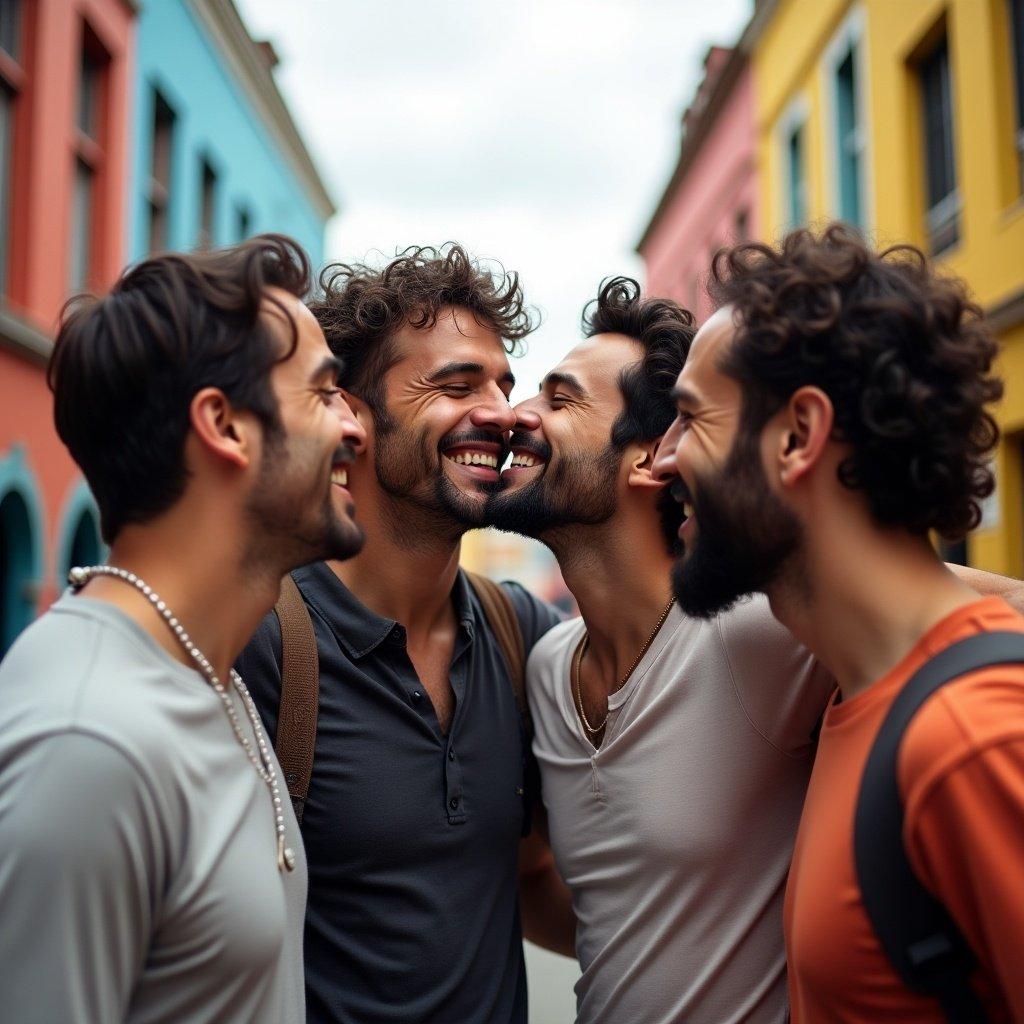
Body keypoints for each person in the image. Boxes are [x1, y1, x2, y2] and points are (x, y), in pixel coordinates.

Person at [488, 275, 1024, 1024]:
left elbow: (967, 603)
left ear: (800, 436)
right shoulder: (548, 667)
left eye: (692, 421)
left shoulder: (802, 647)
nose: (513, 416)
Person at [653, 224, 1024, 1021]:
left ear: (798, 435)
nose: (663, 459)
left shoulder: (977, 734)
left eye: (690, 419)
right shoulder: (857, 699)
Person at [0, 235, 366, 1024]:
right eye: (324, 392)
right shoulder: (87, 742)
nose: (354, 428)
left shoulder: (211, 670)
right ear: (224, 425)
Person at [236, 244, 566, 1024]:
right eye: (457, 385)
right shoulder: (263, 642)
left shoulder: (521, 633)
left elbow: (532, 874)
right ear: (350, 414)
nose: (505, 412)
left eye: (503, 383)